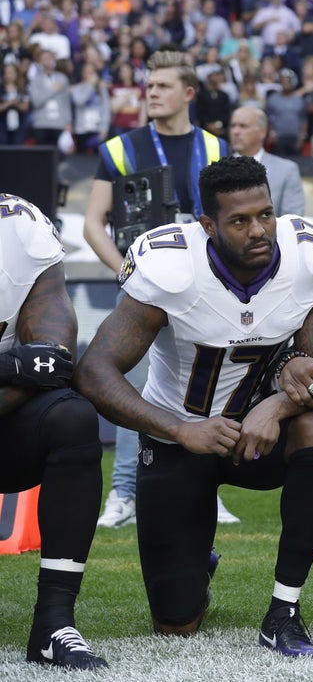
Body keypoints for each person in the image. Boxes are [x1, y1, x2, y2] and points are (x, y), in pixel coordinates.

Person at [74, 156, 313, 653]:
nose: (259, 230)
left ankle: (284, 612)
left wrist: (278, 407)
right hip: (178, 438)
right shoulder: (171, 267)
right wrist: (180, 430)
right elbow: (94, 372)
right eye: (239, 221)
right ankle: (199, 556)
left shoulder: (310, 258)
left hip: (257, 438)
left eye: (264, 214)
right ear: (207, 225)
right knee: (177, 624)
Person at [82, 49, 234, 529]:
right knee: (139, 389)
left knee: (209, 390)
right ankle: (123, 493)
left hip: (206, 287)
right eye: (149, 85)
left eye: (162, 85)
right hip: (147, 291)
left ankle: (209, 493)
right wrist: (127, 272)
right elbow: (92, 224)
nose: (151, 92)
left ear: (188, 93)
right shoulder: (121, 148)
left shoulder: (215, 148)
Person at [0, 194, 108, 670]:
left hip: (7, 419)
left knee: (72, 416)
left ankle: (53, 623)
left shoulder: (18, 226)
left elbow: (52, 362)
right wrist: (11, 364)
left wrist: (23, 367)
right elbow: (28, 363)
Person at [229, 105, 305, 217]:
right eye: (233, 126)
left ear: (262, 132)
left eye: (243, 126)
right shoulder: (216, 168)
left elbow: (293, 220)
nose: (235, 132)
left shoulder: (286, 170)